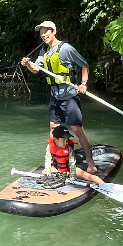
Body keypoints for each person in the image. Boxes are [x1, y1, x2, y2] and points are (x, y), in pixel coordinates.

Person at [21, 20, 97, 173]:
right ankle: (54, 163)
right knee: (53, 128)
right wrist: (28, 64)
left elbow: (84, 65)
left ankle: (90, 162)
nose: (43, 35)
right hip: (55, 95)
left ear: (54, 31)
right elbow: (36, 69)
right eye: (41, 33)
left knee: (77, 129)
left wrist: (83, 84)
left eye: (46, 31)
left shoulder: (66, 49)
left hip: (69, 95)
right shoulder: (44, 52)